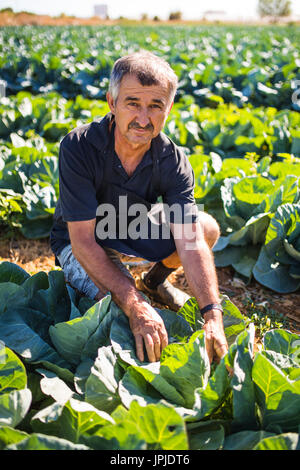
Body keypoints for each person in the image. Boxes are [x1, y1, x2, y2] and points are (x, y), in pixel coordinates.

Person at [50, 50, 228, 364]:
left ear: (169, 108)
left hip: (129, 225)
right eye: (133, 103)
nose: (143, 119)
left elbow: (190, 240)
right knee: (117, 309)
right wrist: (135, 304)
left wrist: (213, 314)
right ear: (112, 103)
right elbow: (82, 242)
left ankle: (154, 282)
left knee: (205, 227)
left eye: (155, 106)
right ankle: (133, 292)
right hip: (84, 240)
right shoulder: (78, 147)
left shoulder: (171, 159)